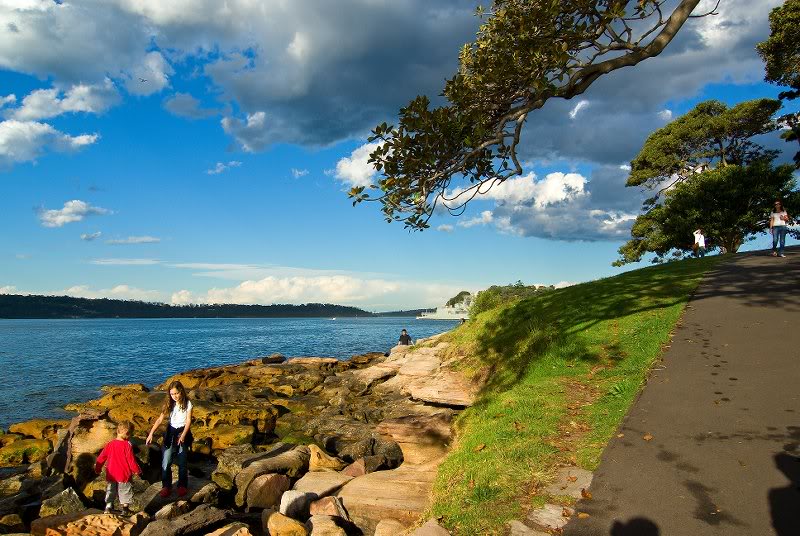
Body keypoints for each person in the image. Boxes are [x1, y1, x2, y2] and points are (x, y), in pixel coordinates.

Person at [146, 381, 193, 498]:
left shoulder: (188, 403)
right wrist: (151, 433)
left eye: (176, 393)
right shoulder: (169, 403)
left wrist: (183, 435)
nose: (175, 396)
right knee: (166, 461)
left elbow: (188, 421)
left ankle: (182, 485)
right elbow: (160, 419)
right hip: (170, 432)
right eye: (172, 394)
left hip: (183, 432)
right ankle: (166, 486)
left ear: (181, 391)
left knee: (182, 461)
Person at [94, 421, 141, 515]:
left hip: (111, 473)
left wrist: (98, 468)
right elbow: (131, 460)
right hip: (124, 474)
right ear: (127, 434)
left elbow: (101, 457)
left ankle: (108, 507)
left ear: (118, 431)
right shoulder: (127, 445)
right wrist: (137, 470)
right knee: (125, 491)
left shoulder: (110, 444)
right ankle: (125, 509)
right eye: (130, 435)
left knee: (110, 490)